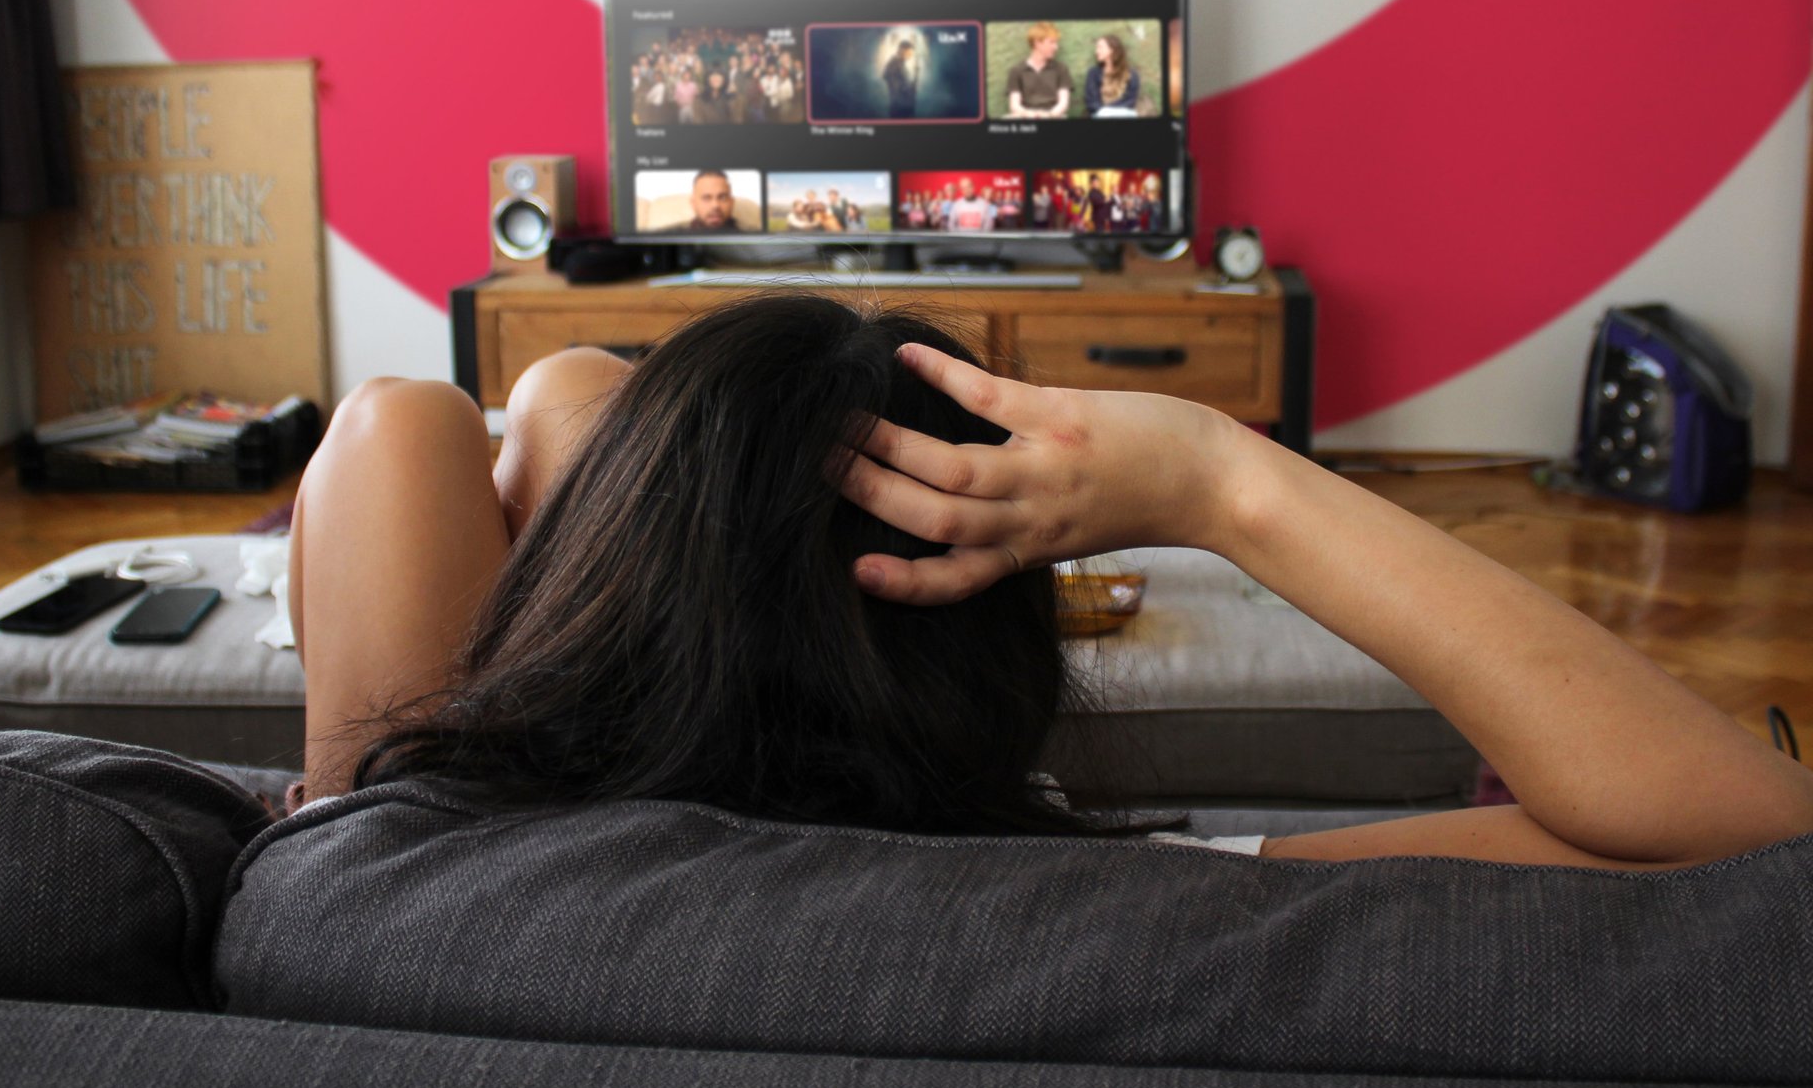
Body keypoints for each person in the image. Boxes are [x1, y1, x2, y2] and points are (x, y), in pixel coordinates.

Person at [290, 296, 1813, 870]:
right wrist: (1223, 478)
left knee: (456, 415)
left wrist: (358, 806)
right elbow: (1760, 836)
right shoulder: (1118, 906)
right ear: (996, 659)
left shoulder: (395, 887)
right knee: (564, 398)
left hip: (440, 857)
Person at [1005, 24, 1072, 119]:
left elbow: (1063, 103)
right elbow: (1014, 105)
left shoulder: (1061, 69)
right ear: (1037, 43)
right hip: (1025, 115)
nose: (1056, 47)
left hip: (1053, 115)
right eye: (1052, 42)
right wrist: (1029, 114)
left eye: (1056, 43)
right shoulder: (1017, 70)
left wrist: (1050, 115)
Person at [656, 169, 741, 233]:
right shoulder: (671, 235)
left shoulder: (748, 235)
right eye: (706, 198)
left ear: (731, 202)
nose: (715, 205)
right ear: (693, 204)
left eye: (722, 197)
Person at [1084, 35, 1140, 117]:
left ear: (1112, 50)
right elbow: (1091, 102)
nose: (1096, 51)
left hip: (1123, 113)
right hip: (1100, 114)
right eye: (1097, 48)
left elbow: (1130, 101)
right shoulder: (1093, 73)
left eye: (1100, 47)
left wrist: (1109, 111)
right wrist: (1105, 111)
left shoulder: (1132, 74)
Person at [883, 40, 920, 118]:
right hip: (900, 110)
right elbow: (897, 89)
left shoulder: (899, 63)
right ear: (902, 50)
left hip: (904, 107)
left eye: (911, 53)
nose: (911, 55)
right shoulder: (893, 64)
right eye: (909, 53)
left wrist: (916, 74)